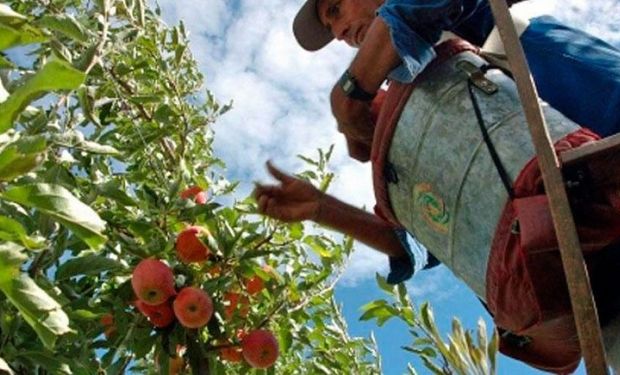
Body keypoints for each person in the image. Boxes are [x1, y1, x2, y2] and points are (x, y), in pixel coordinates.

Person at [291, 0, 620, 162]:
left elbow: (409, 12)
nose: (338, 33)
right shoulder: (411, 87)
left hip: (593, 96)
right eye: (331, 27)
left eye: (335, 9)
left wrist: (350, 94)